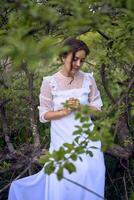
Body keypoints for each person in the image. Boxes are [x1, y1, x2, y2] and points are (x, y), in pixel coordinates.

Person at [8, 38, 105, 200]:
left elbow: (98, 110)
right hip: (62, 140)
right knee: (64, 182)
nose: (79, 64)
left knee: (91, 175)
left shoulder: (88, 79)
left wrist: (80, 108)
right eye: (75, 59)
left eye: (82, 60)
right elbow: (43, 115)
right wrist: (64, 112)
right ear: (62, 57)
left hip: (87, 140)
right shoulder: (50, 82)